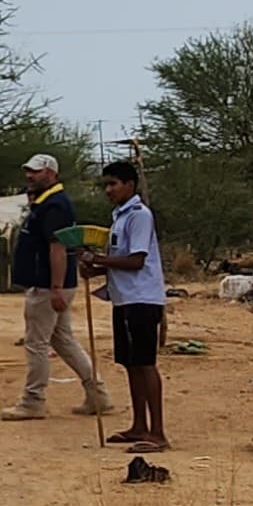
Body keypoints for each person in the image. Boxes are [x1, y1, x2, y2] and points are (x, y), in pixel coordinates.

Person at [3, 153, 110, 422]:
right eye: (28, 170)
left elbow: (58, 248)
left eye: (36, 171)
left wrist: (55, 287)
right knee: (62, 340)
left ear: (51, 174)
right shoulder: (46, 203)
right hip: (50, 284)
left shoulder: (54, 206)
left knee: (36, 342)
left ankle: (32, 401)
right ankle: (97, 394)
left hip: (47, 285)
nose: (30, 175)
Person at [83, 161, 170, 449]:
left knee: (145, 364)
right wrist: (95, 269)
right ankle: (139, 425)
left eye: (113, 184)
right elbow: (120, 261)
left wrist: (98, 260)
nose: (108, 190)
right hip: (124, 299)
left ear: (129, 185)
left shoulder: (139, 215)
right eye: (106, 184)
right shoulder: (119, 217)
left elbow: (136, 260)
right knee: (131, 363)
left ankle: (157, 433)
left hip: (141, 299)